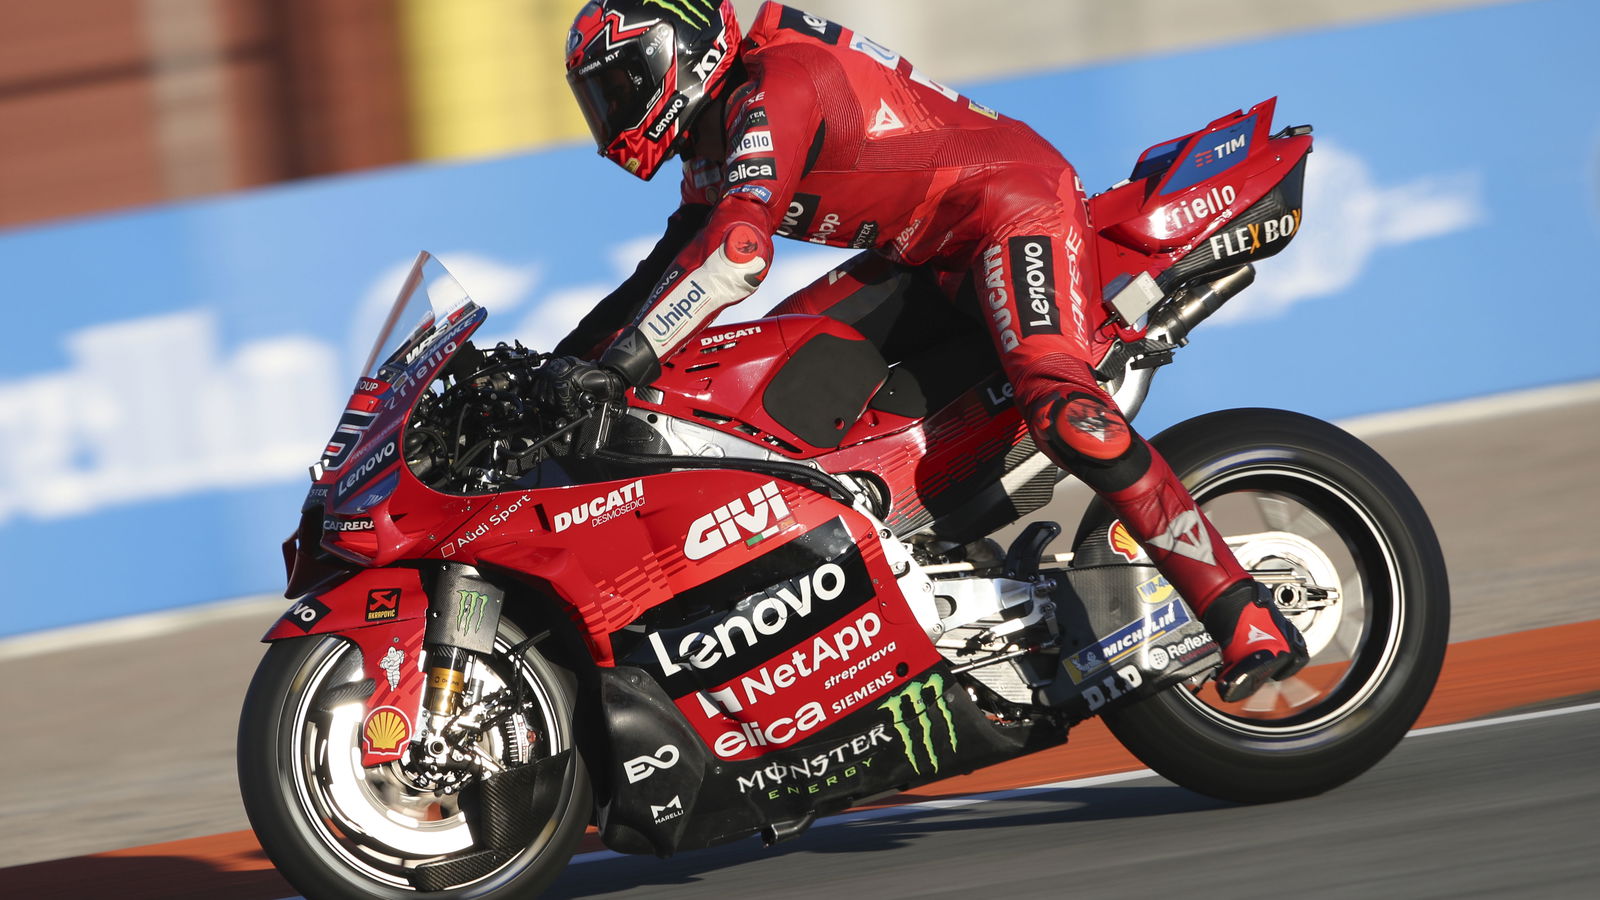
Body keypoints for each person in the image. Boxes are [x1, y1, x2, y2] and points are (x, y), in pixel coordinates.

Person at [553, 0, 1307, 701]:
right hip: (927, 254)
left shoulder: (775, 86)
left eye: (619, 86)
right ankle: (926, 555)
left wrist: (618, 367)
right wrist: (552, 368)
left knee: (1064, 409)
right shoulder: (712, 146)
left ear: (680, 53)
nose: (611, 113)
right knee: (777, 368)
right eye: (599, 98)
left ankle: (1239, 610)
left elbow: (738, 254)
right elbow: (656, 276)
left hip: (1011, 211)